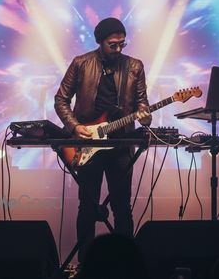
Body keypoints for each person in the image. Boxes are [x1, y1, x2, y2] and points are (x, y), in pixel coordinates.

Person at [54, 17, 151, 261]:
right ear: (100, 41)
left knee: (122, 207)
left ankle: (125, 264)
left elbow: (142, 103)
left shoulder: (134, 66)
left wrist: (145, 116)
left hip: (121, 144)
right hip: (89, 144)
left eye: (122, 44)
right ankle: (85, 263)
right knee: (87, 207)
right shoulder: (81, 63)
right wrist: (75, 127)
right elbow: (61, 99)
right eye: (112, 44)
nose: (118, 49)